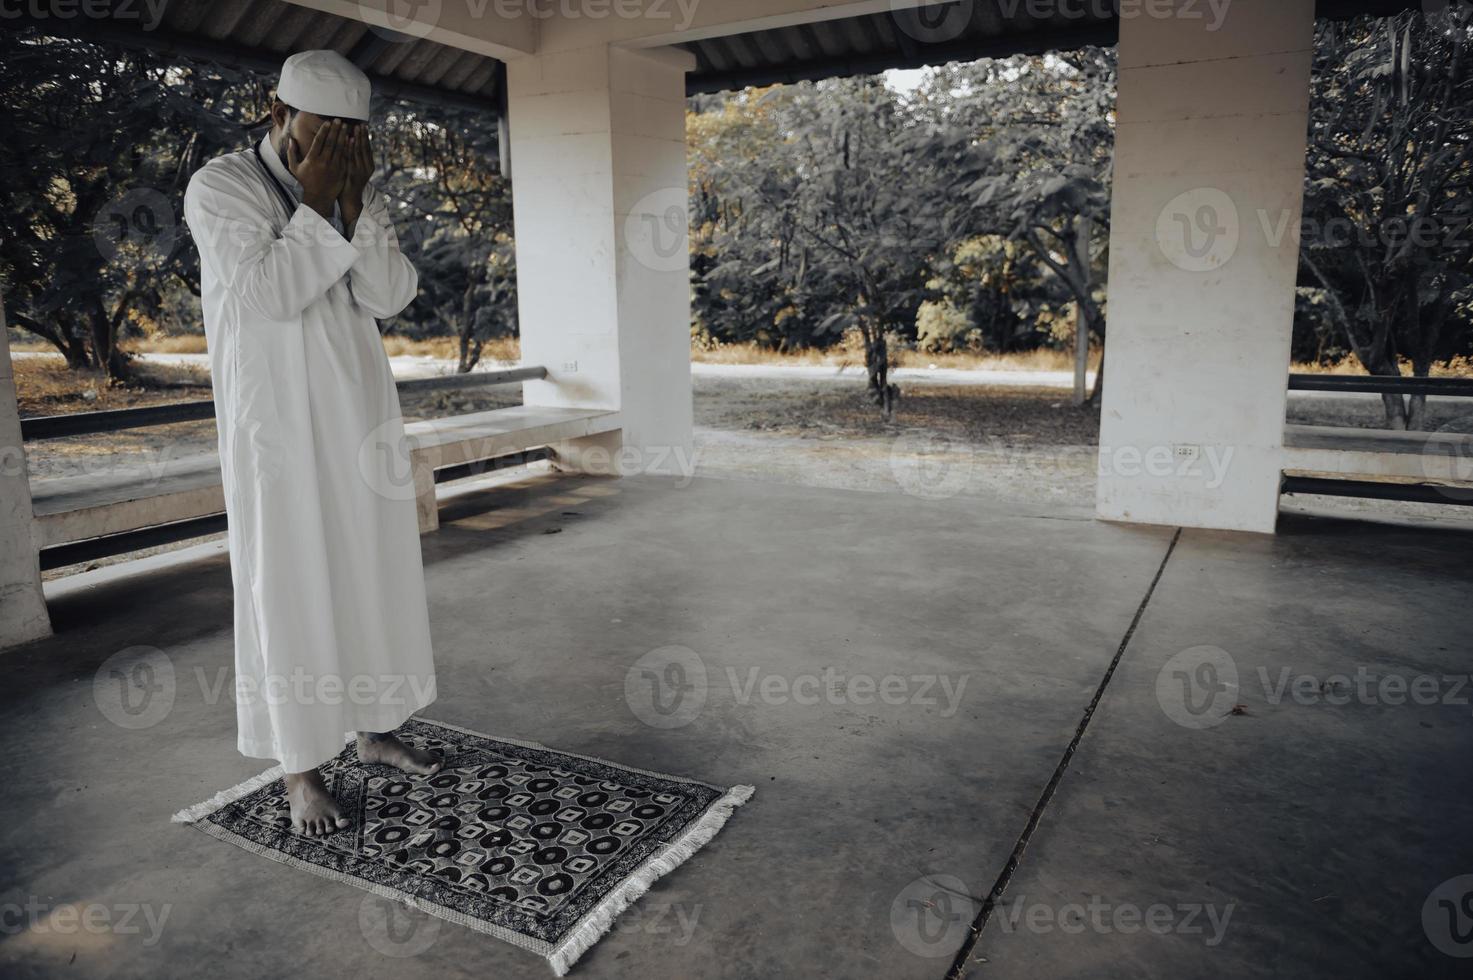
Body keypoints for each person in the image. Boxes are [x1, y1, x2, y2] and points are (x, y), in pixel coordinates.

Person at [183, 50, 441, 838]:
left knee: (371, 565)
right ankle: (299, 768)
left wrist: (354, 208)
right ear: (275, 113)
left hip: (358, 412)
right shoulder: (220, 186)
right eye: (317, 133)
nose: (330, 150)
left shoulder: (353, 191)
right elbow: (267, 294)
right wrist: (317, 202)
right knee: (290, 581)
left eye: (347, 138)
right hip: (278, 426)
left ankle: (376, 726)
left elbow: (390, 297)